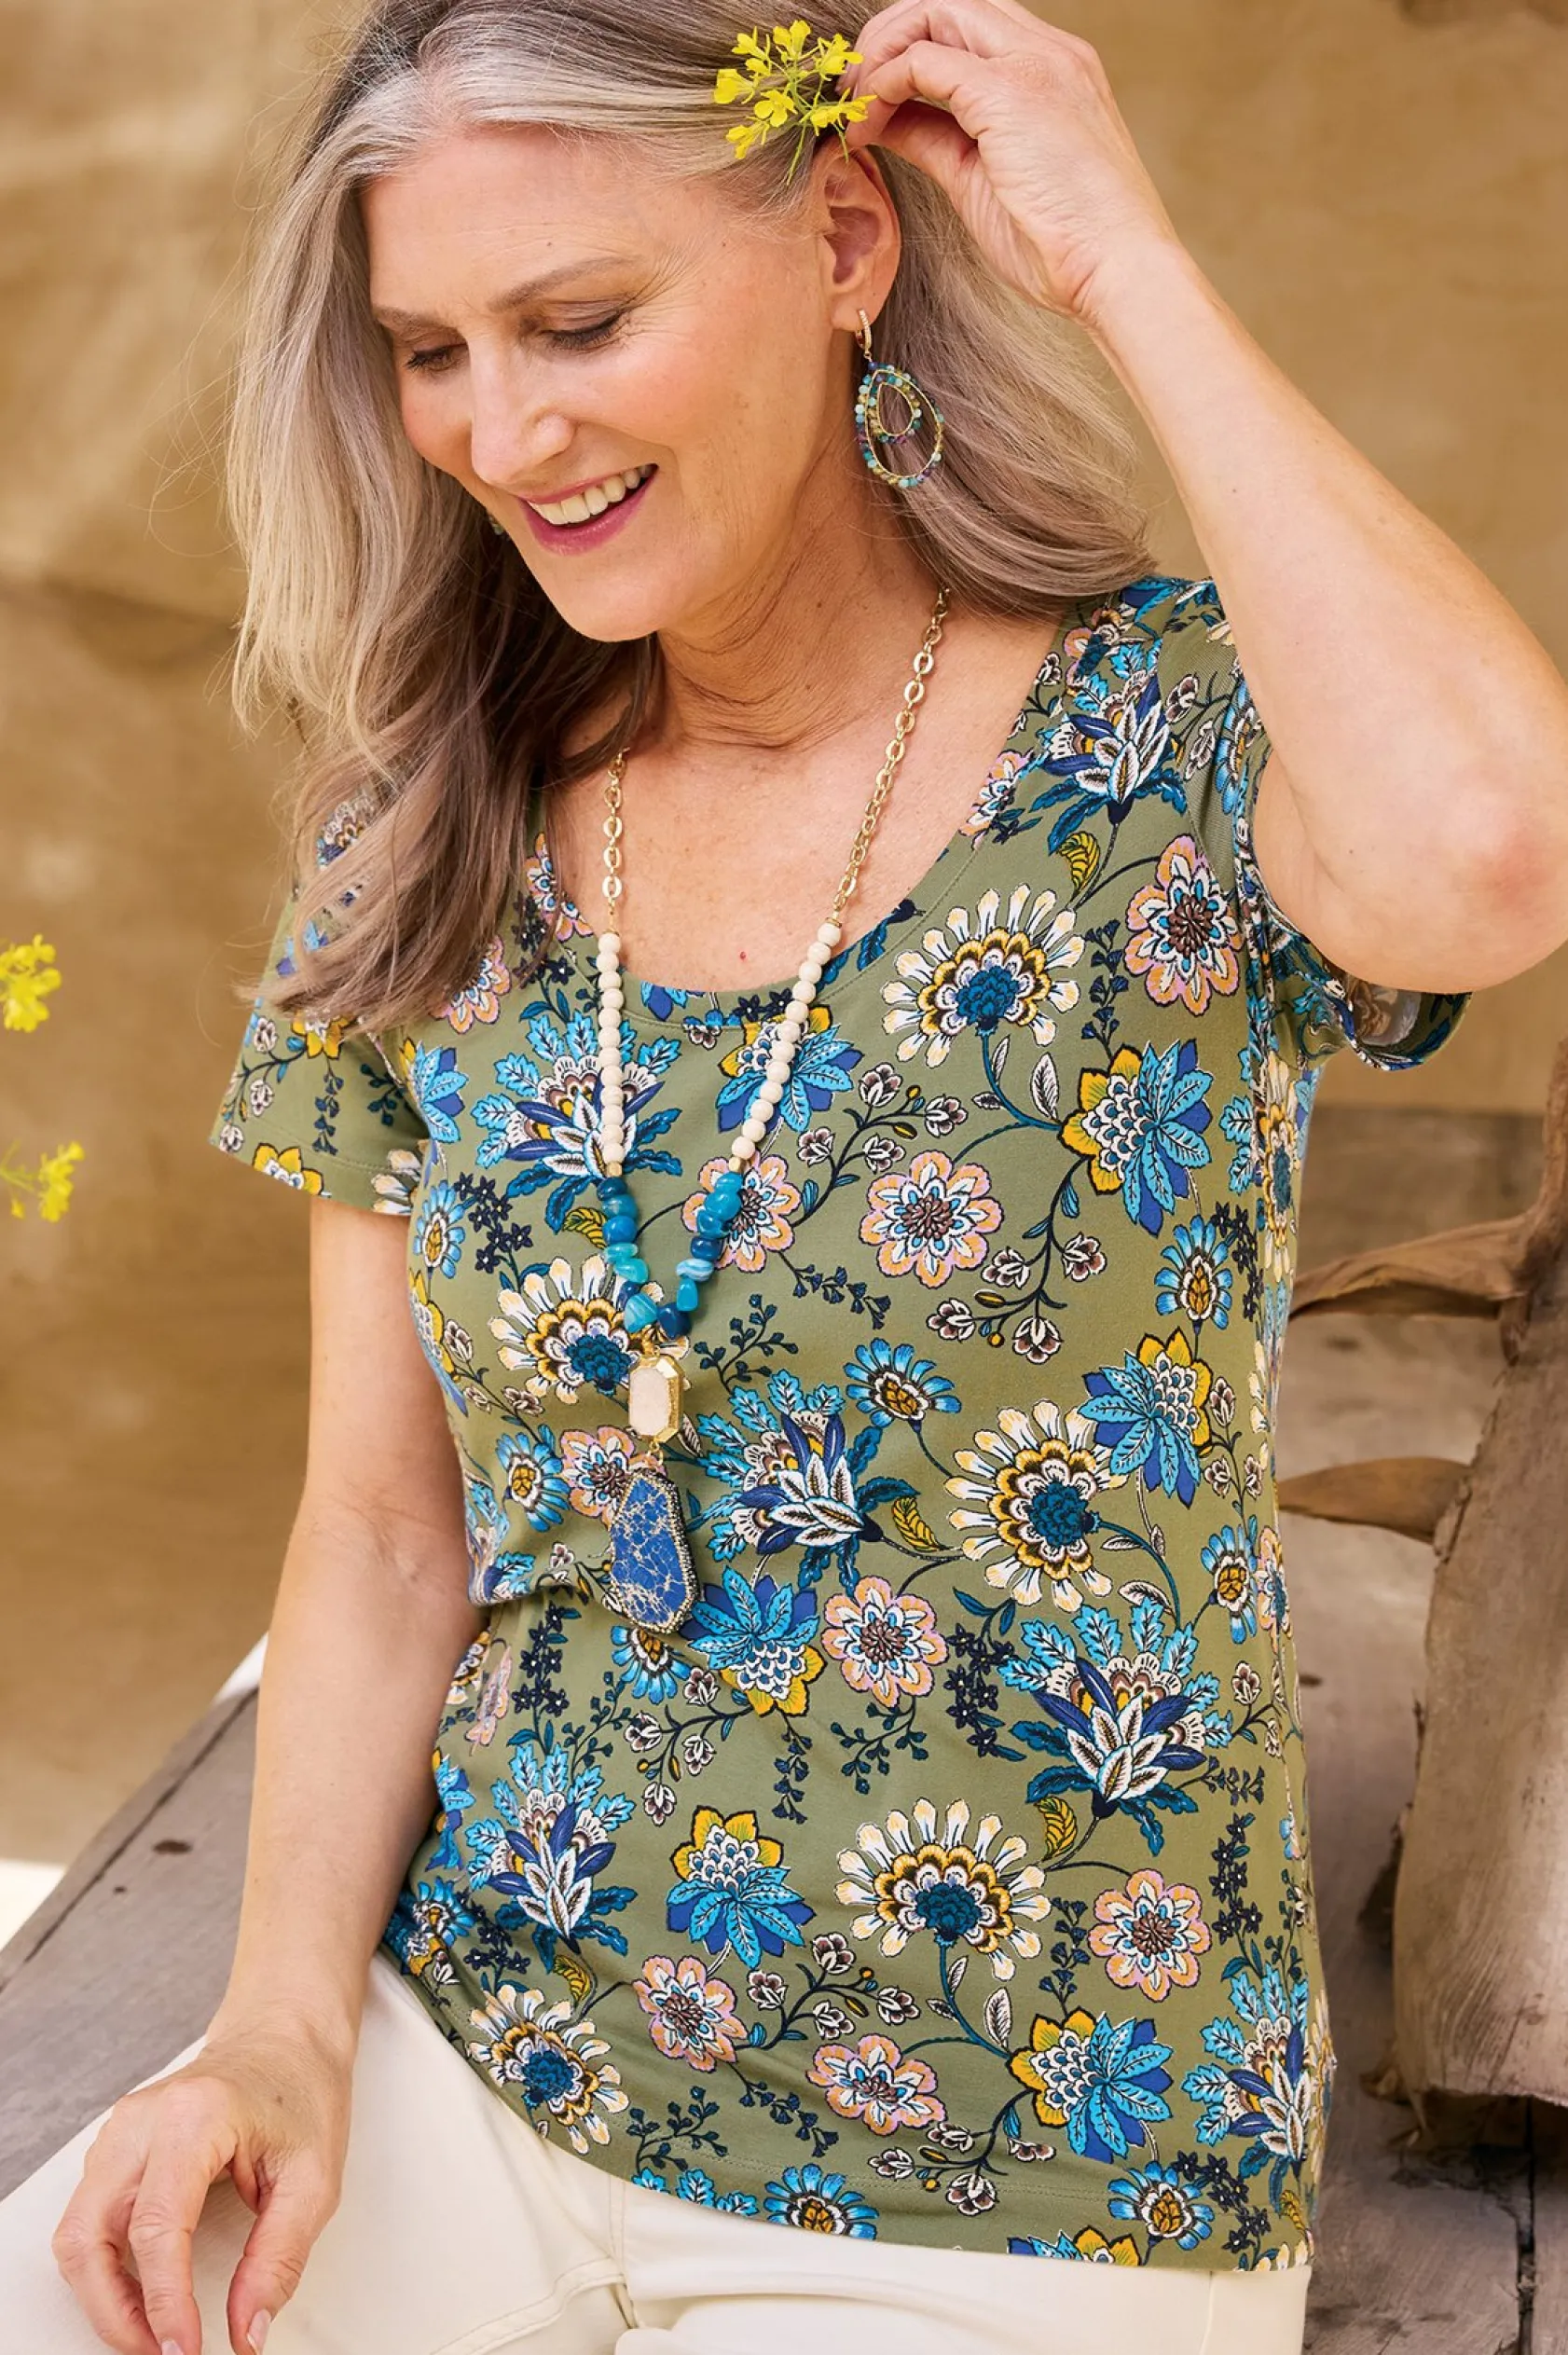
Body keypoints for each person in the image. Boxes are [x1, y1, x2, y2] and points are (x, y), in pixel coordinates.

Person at [6, 0, 1567, 2348]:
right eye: (429, 351)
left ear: (844, 245)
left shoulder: (1165, 744)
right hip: (486, 2053)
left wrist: (1118, 256)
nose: (500, 430)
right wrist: (280, 2034)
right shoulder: (423, 837)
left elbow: (1494, 853)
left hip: (1037, 2182)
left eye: (578, 322)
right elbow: (383, 1529)